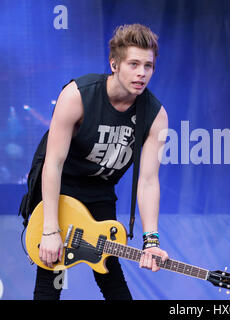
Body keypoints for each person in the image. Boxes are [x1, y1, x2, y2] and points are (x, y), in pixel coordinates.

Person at [32, 23, 169, 300]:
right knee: (51, 273)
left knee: (110, 274)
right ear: (114, 64)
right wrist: (50, 230)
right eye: (133, 64)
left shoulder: (155, 115)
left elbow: (148, 180)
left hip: (101, 191)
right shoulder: (77, 95)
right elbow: (53, 164)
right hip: (60, 189)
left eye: (148, 66)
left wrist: (151, 240)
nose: (142, 73)